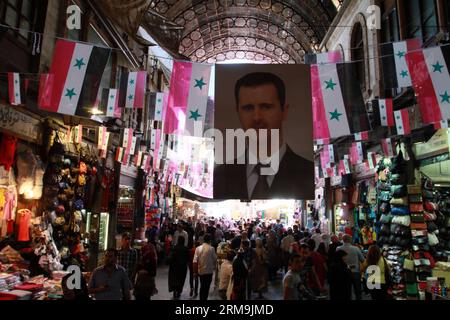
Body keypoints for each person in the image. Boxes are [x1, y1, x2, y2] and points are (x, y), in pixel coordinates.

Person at [214, 72, 314, 200]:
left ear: (284, 111)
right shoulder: (219, 176)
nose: (257, 117)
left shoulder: (309, 174)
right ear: (238, 112)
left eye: (266, 107)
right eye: (248, 108)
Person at [337, 234, 365, 300]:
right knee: (357, 290)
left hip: (343, 272)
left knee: (346, 291)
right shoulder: (356, 248)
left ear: (343, 240)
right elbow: (362, 259)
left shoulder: (338, 248)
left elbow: (336, 260)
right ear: (350, 240)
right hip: (355, 271)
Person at [193, 234, 217, 300]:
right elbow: (215, 259)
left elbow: (195, 261)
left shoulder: (198, 248)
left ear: (203, 240)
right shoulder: (211, 248)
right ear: (210, 240)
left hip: (201, 271)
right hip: (209, 271)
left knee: (202, 286)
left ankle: (202, 298)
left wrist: (195, 272)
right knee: (206, 287)